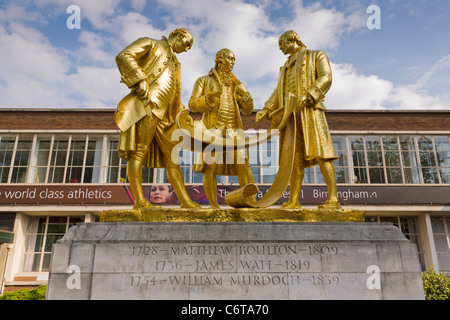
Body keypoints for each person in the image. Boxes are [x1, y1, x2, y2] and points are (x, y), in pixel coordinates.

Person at [115, 28, 199, 209]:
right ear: (180, 35)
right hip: (148, 105)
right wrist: (140, 79)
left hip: (167, 115)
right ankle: (140, 202)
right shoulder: (151, 43)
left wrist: (182, 114)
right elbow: (124, 56)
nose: (186, 49)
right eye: (187, 44)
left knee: (173, 159)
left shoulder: (176, 62)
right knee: (139, 151)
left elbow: (174, 92)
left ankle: (185, 202)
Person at [256, 30, 340, 209]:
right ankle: (294, 201)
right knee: (293, 159)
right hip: (290, 117)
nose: (280, 48)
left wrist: (309, 95)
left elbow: (326, 77)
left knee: (323, 154)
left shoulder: (316, 55)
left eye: (282, 44)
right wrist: (267, 108)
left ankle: (333, 198)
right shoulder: (284, 68)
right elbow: (278, 91)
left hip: (310, 111)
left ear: (292, 39)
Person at [189, 48, 254, 209]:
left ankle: (252, 203)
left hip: (233, 129)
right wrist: (205, 99)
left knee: (243, 165)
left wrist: (245, 94)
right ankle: (213, 206)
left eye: (234, 59)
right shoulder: (203, 80)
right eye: (230, 59)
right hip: (212, 128)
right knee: (209, 167)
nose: (233, 62)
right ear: (220, 60)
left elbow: (247, 110)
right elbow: (192, 104)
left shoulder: (237, 84)